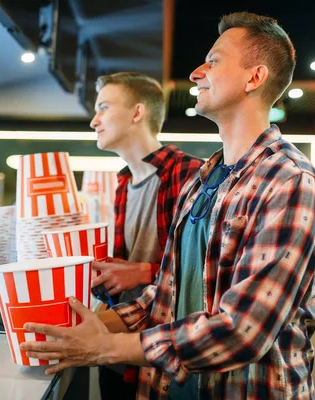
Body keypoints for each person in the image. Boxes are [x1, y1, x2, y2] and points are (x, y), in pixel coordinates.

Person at [22, 11, 315, 399]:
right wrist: (88, 325)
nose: (196, 73)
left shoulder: (289, 182)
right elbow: (163, 294)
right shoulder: (204, 177)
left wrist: (106, 347)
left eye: (214, 61)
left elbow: (243, 330)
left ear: (254, 78)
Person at [88, 72, 204, 398]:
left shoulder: (190, 174)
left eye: (104, 108)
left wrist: (141, 272)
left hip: (161, 349)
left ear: (137, 113)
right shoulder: (124, 182)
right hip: (117, 341)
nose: (94, 121)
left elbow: (204, 272)